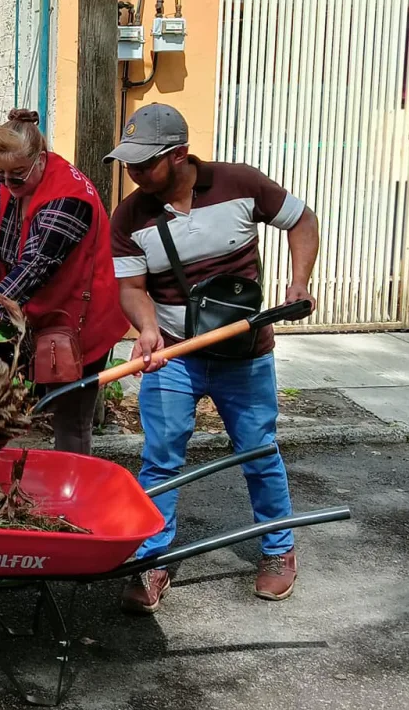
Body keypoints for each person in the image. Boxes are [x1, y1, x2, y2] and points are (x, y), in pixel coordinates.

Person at [106, 104, 319, 612]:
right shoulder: (130, 216)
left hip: (243, 352)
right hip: (173, 357)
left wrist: (299, 283)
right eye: (128, 165)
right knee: (159, 462)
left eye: (143, 164)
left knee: (257, 450)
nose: (133, 175)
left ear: (179, 154)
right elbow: (132, 288)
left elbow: (302, 220)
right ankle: (152, 559)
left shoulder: (240, 183)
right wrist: (149, 328)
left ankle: (278, 549)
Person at [0, 109, 130, 455]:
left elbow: (35, 266)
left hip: (83, 319)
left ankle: (71, 495)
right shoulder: (10, 179)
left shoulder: (69, 198)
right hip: (40, 317)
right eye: (1, 174)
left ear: (41, 160)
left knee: (70, 418)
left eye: (17, 176)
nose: (8, 184)